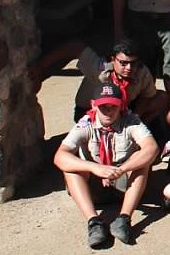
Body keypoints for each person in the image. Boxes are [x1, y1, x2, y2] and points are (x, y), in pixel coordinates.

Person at [54, 83, 158, 248]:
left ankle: (124, 219)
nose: (109, 111)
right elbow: (60, 156)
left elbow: (152, 148)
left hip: (123, 183)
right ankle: (94, 222)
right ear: (94, 105)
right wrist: (94, 167)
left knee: (143, 163)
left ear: (121, 105)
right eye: (103, 107)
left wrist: (122, 169)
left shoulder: (131, 121)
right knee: (71, 168)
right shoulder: (86, 123)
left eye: (113, 106)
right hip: (94, 185)